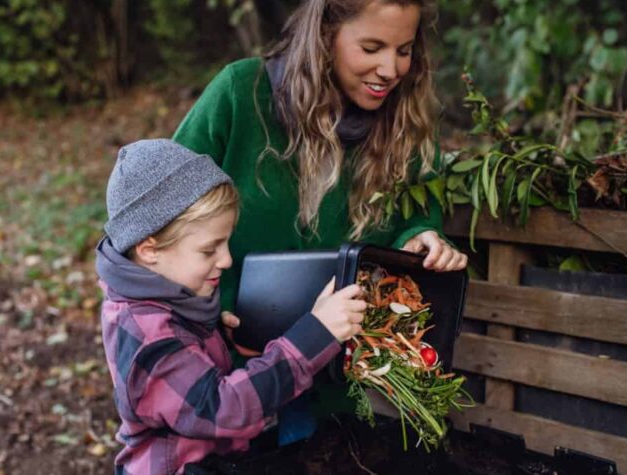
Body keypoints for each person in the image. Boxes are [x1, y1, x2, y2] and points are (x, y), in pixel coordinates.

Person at [172, 0, 468, 444]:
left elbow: (415, 209)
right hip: (226, 374)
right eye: (371, 47)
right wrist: (205, 303)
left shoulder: (404, 117)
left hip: (332, 379)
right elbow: (163, 208)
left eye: (404, 50)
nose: (390, 68)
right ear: (325, 37)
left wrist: (420, 234)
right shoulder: (241, 92)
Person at [95, 138, 367, 474]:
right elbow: (223, 409)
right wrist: (314, 336)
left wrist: (216, 337)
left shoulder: (164, 293)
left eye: (227, 242)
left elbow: (186, 363)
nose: (225, 260)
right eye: (209, 250)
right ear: (149, 249)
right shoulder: (146, 330)